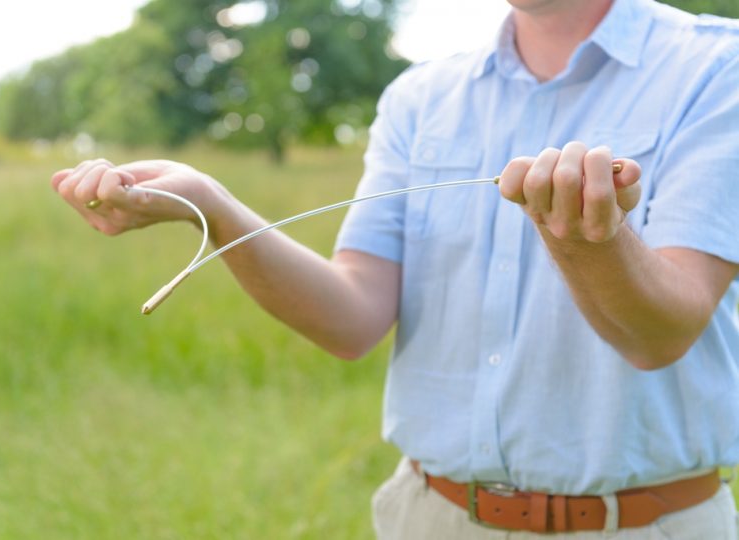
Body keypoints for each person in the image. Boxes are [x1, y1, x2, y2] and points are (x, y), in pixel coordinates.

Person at [52, 0, 739, 536]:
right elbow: (351, 319)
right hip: (428, 519)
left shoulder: (718, 68)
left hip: (645, 528)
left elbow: (660, 334)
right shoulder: (419, 97)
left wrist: (587, 239)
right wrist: (214, 206)